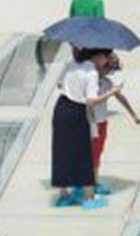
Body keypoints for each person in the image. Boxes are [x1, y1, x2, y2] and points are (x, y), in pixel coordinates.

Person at [53, 48, 132, 208]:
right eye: (105, 57)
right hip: (79, 110)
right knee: (85, 155)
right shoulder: (91, 73)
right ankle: (89, 198)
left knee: (63, 152)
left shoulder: (71, 64)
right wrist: (112, 92)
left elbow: (60, 84)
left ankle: (63, 195)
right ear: (96, 56)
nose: (106, 60)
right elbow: (91, 101)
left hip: (61, 107)